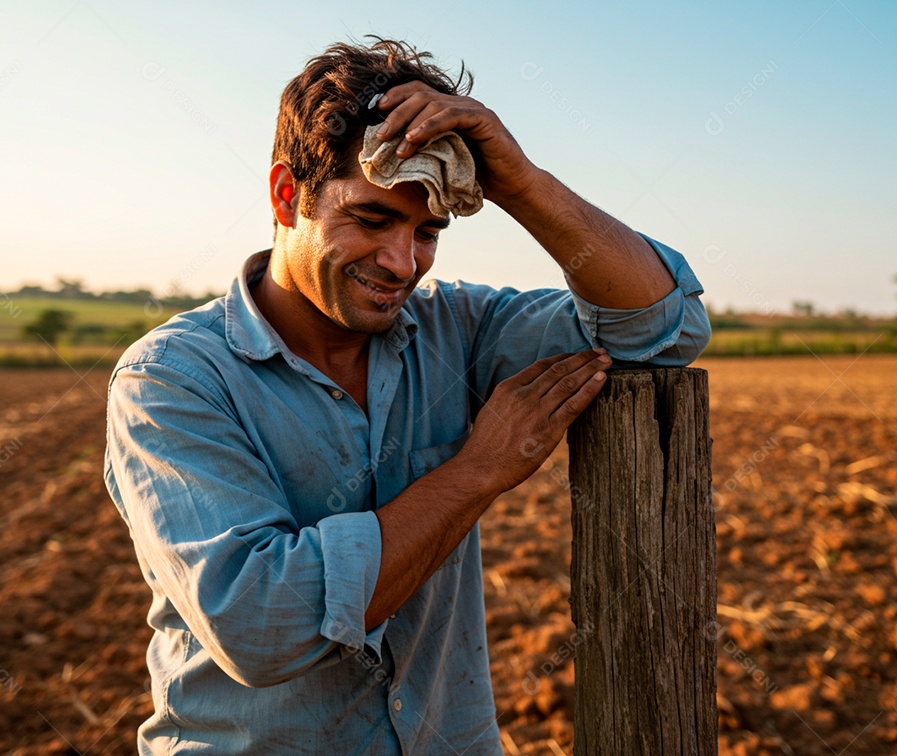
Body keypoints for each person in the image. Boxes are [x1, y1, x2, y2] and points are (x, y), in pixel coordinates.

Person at [104, 36, 710, 754]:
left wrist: (517, 179)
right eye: (372, 219)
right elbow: (263, 623)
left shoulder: (460, 330)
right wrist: (478, 472)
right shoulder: (172, 379)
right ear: (286, 193)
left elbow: (659, 325)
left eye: (428, 231)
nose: (403, 263)